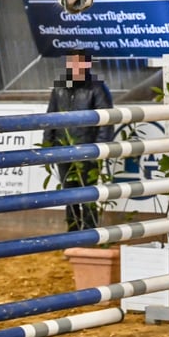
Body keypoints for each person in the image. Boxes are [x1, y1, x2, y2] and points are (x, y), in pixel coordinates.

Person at [42, 51, 114, 231]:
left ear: (87, 65)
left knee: (88, 194)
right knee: (69, 194)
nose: (75, 67)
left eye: (79, 63)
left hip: (88, 151)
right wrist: (47, 146)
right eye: (72, 63)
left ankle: (90, 233)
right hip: (63, 150)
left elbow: (107, 122)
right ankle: (72, 232)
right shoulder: (59, 88)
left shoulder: (97, 88)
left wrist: (99, 150)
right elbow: (50, 117)